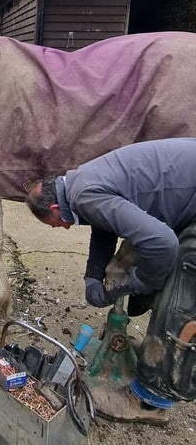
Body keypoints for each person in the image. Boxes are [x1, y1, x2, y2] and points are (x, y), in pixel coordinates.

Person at [25, 138, 196, 423]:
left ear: (55, 207)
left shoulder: (84, 196)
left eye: (53, 224)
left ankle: (149, 400)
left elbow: (163, 244)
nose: (60, 229)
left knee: (179, 296)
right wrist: (93, 275)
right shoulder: (81, 181)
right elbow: (104, 224)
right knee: (156, 265)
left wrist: (141, 282)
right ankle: (154, 358)